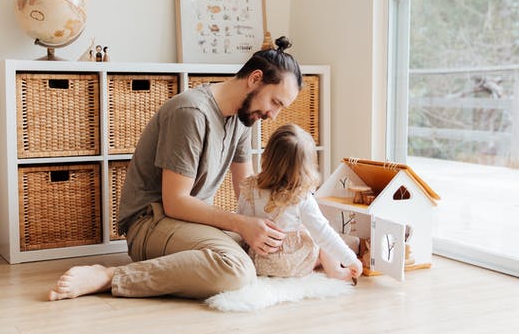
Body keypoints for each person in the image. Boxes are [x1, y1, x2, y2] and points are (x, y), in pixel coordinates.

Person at [49, 36, 303, 301]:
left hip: (191, 223)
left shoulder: (242, 118)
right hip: (151, 222)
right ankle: (112, 276)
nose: (273, 115)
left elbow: (247, 190)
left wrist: (285, 222)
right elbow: (175, 202)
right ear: (255, 79)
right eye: (275, 102)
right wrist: (242, 225)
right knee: (237, 269)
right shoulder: (192, 112)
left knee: (271, 247)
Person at [238, 124, 363, 281]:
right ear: (306, 168)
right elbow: (324, 234)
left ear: (267, 155)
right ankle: (336, 271)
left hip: (260, 262)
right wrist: (351, 260)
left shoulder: (249, 188)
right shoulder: (301, 197)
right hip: (294, 265)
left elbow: (241, 221)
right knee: (321, 240)